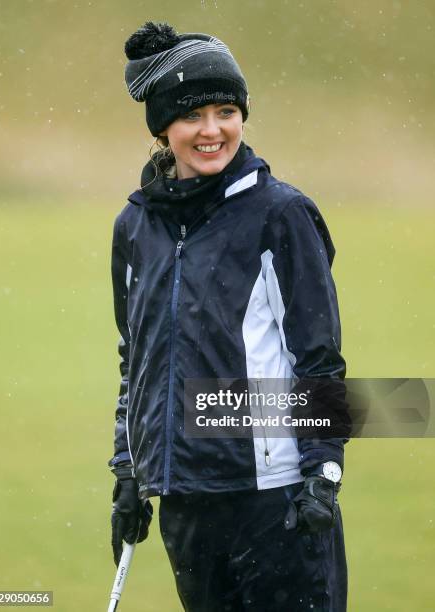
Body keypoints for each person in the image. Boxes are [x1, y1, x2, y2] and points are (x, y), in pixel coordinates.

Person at [109, 21, 348, 612]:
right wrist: (129, 469)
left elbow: (317, 356)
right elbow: (136, 359)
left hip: (277, 502)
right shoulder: (135, 227)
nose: (211, 130)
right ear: (163, 128)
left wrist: (324, 472)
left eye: (225, 111)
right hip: (186, 505)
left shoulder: (281, 215)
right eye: (192, 116)